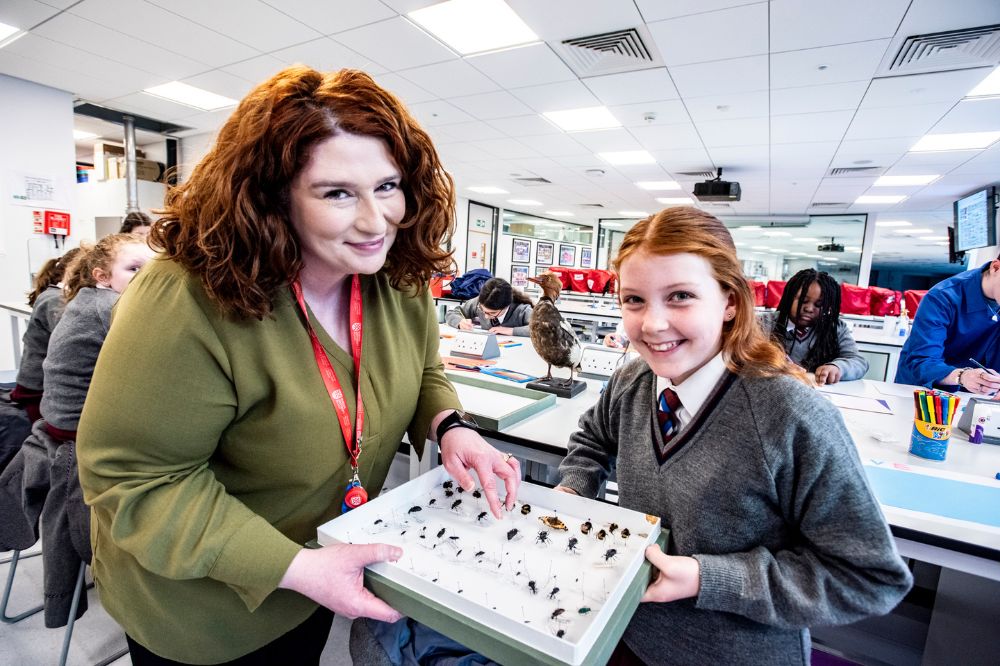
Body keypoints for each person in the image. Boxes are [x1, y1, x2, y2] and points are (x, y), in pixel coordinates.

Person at [76, 66, 521, 666]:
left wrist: (450, 426)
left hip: (315, 578)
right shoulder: (186, 298)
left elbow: (419, 372)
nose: (375, 220)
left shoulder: (396, 276)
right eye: (337, 192)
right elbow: (136, 479)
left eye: (388, 186)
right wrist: (297, 566)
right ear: (271, 196)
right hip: (204, 611)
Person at [555, 207, 912, 665]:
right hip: (624, 633)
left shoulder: (790, 414)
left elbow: (867, 576)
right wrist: (573, 490)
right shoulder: (634, 381)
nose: (652, 324)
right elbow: (592, 440)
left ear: (730, 302)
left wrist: (710, 578)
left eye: (680, 296)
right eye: (634, 300)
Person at [0, 234, 153, 627]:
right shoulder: (110, 307)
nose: (144, 277)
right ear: (102, 276)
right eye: (133, 269)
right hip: (78, 441)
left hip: (53, 429)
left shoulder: (84, 302)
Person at [895, 256, 1000, 395]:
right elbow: (923, 360)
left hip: (979, 396)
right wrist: (962, 376)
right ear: (996, 267)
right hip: (924, 393)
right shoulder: (942, 297)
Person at [10, 248, 81, 422]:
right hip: (36, 392)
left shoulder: (53, 295)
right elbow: (72, 337)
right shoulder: (54, 299)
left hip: (38, 387)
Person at [770, 268, 869, 385]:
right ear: (789, 297)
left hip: (820, 394)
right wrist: (774, 363)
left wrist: (837, 367)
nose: (809, 309)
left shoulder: (835, 328)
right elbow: (744, 357)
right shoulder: (763, 324)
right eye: (803, 301)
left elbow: (858, 362)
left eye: (819, 305)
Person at [445, 277, 533, 336]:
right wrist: (460, 322)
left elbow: (543, 330)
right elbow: (452, 313)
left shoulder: (522, 310)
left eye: (492, 313)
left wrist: (511, 330)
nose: (486, 316)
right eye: (483, 310)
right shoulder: (479, 303)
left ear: (506, 306)